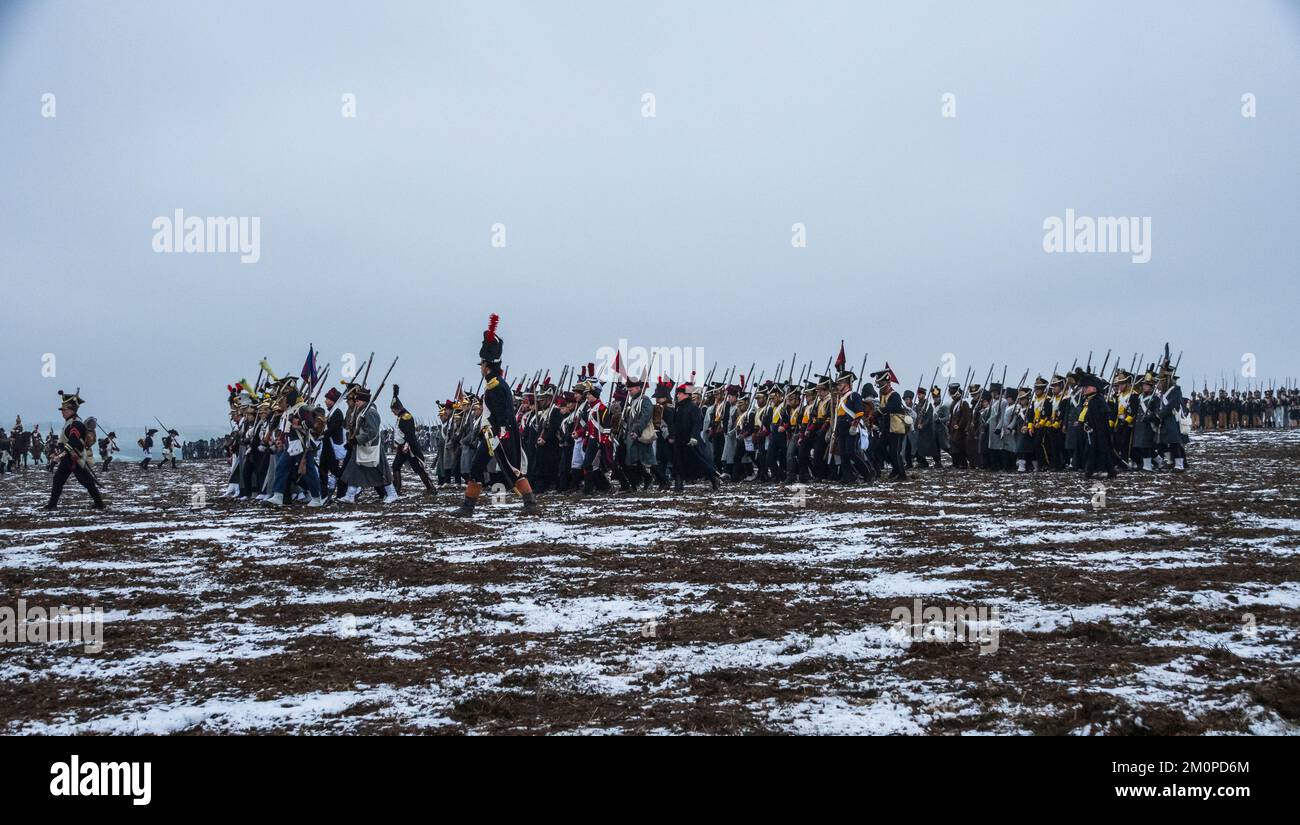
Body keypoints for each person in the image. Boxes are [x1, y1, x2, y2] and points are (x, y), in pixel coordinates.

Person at [452, 314, 541, 516]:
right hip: (490, 435)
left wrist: (500, 433)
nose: (481, 368)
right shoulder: (493, 384)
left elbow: (503, 414)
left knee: (511, 470)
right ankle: (468, 507)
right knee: (476, 468)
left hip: (499, 434)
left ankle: (531, 504)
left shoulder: (496, 386)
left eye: (482, 365)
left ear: (488, 366)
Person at [46, 390, 105, 510]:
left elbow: (73, 442)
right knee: (58, 480)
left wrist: (59, 456)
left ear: (71, 410)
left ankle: (99, 504)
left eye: (64, 410)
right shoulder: (70, 422)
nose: (62, 412)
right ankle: (52, 505)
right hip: (69, 456)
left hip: (75, 457)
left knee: (86, 481)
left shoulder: (76, 423)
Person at [389, 384, 435, 496]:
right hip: (402, 447)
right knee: (395, 466)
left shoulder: (406, 417)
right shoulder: (401, 416)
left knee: (418, 469)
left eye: (393, 410)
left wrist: (406, 445)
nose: (393, 412)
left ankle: (430, 487)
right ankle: (397, 489)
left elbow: (410, 434)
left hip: (409, 448)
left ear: (397, 408)